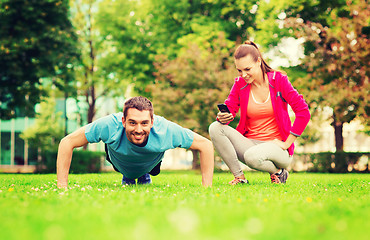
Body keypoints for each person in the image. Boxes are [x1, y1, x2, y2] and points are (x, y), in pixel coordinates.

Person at [209, 40, 310, 185]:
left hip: (278, 148)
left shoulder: (279, 80)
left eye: (247, 69)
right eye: (239, 70)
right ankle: (240, 177)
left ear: (258, 61)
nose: (243, 74)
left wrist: (287, 143)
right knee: (215, 128)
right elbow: (230, 106)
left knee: (251, 156)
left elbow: (303, 112)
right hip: (250, 145)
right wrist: (224, 116)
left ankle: (279, 172)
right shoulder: (240, 84)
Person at [57, 96, 214, 188]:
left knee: (147, 162)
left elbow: (205, 145)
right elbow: (67, 142)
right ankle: (129, 175)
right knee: (125, 164)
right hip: (119, 159)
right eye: (132, 123)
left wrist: (206, 189)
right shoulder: (108, 125)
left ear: (152, 121)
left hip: (151, 161)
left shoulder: (165, 129)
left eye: (144, 123)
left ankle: (143, 174)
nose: (139, 129)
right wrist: (62, 187)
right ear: (123, 121)